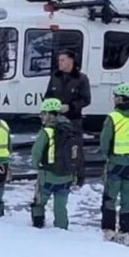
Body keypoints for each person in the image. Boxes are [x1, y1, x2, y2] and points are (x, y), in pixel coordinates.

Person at [100, 83, 129, 245]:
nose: (113, 99)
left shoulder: (114, 117)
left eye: (115, 96)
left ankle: (109, 229)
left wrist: (107, 156)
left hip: (116, 163)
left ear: (119, 98)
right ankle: (125, 231)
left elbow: (105, 142)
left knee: (110, 196)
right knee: (128, 198)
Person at [44, 49, 90, 186]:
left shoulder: (81, 79)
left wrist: (70, 106)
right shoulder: (55, 76)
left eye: (63, 60)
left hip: (73, 119)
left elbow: (86, 99)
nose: (60, 63)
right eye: (59, 60)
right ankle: (55, 172)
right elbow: (47, 95)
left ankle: (79, 176)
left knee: (75, 148)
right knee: (54, 146)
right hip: (55, 118)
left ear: (71, 61)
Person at [30, 98, 74, 230]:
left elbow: (36, 152)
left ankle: (37, 226)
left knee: (39, 202)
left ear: (50, 114)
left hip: (48, 175)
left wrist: (37, 166)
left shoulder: (46, 131)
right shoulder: (70, 128)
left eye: (43, 113)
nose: (41, 116)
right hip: (67, 175)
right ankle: (62, 228)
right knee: (60, 206)